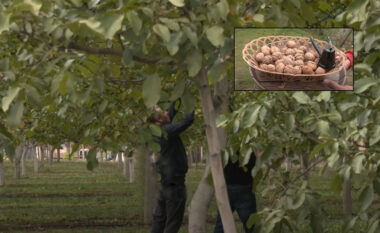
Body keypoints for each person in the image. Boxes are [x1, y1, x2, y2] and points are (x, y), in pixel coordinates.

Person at [148, 99, 195, 233]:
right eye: (162, 113)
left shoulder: (158, 130)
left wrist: (178, 95)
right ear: (160, 121)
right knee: (173, 223)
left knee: (160, 218)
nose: (165, 111)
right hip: (175, 184)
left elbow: (170, 112)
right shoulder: (168, 131)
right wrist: (190, 103)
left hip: (165, 182)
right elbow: (188, 120)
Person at [214, 151, 257, 233]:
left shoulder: (225, 147)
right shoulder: (248, 149)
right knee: (251, 226)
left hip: (228, 188)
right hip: (244, 188)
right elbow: (254, 169)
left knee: (221, 225)